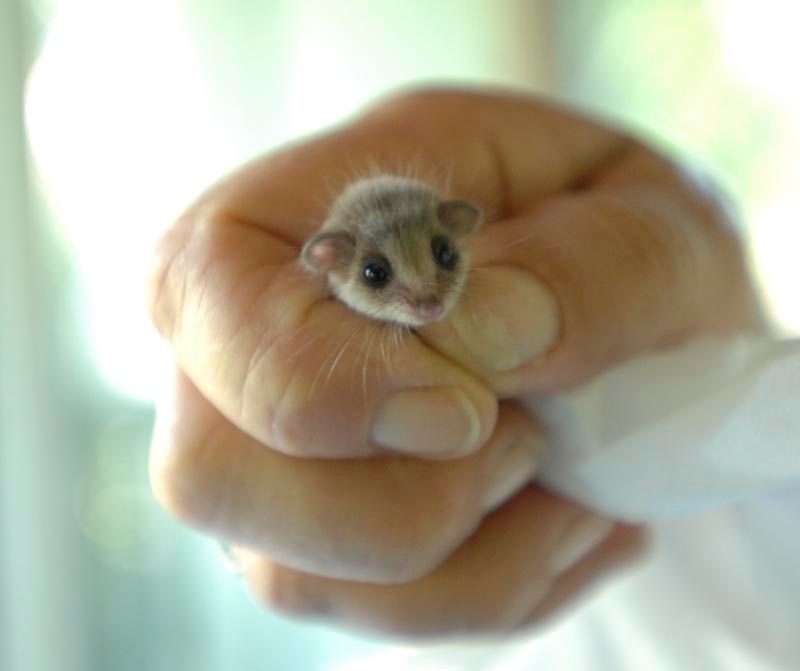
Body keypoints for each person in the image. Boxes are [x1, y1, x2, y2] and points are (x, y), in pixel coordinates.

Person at [146, 89, 763, 639]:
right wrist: (249, 542)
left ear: (459, 228)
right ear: (331, 264)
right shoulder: (333, 334)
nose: (425, 295)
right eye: (378, 274)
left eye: (442, 256)